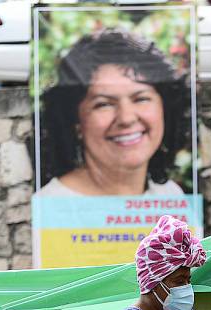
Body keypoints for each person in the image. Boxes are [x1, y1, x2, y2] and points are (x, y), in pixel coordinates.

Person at [37, 29, 189, 197]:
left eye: (141, 99)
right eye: (104, 104)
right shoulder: (52, 207)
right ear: (76, 123)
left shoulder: (169, 194)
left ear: (164, 109)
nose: (126, 118)